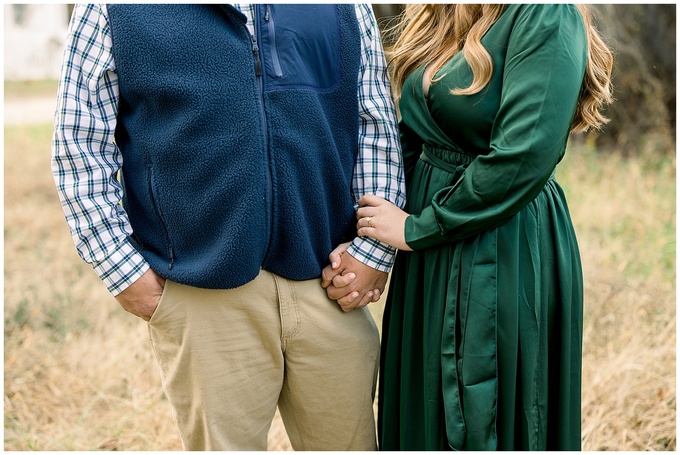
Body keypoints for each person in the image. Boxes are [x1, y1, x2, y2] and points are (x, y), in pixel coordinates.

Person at [51, 4, 405, 451]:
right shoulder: (110, 8)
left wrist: (371, 250)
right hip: (201, 291)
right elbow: (80, 143)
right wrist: (121, 269)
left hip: (333, 281)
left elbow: (373, 123)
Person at [322, 3, 613, 451]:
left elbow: (524, 154)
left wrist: (419, 228)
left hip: (499, 243)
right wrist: (360, 241)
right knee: (429, 411)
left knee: (484, 415)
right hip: (429, 248)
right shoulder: (443, 12)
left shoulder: (544, 14)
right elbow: (410, 137)